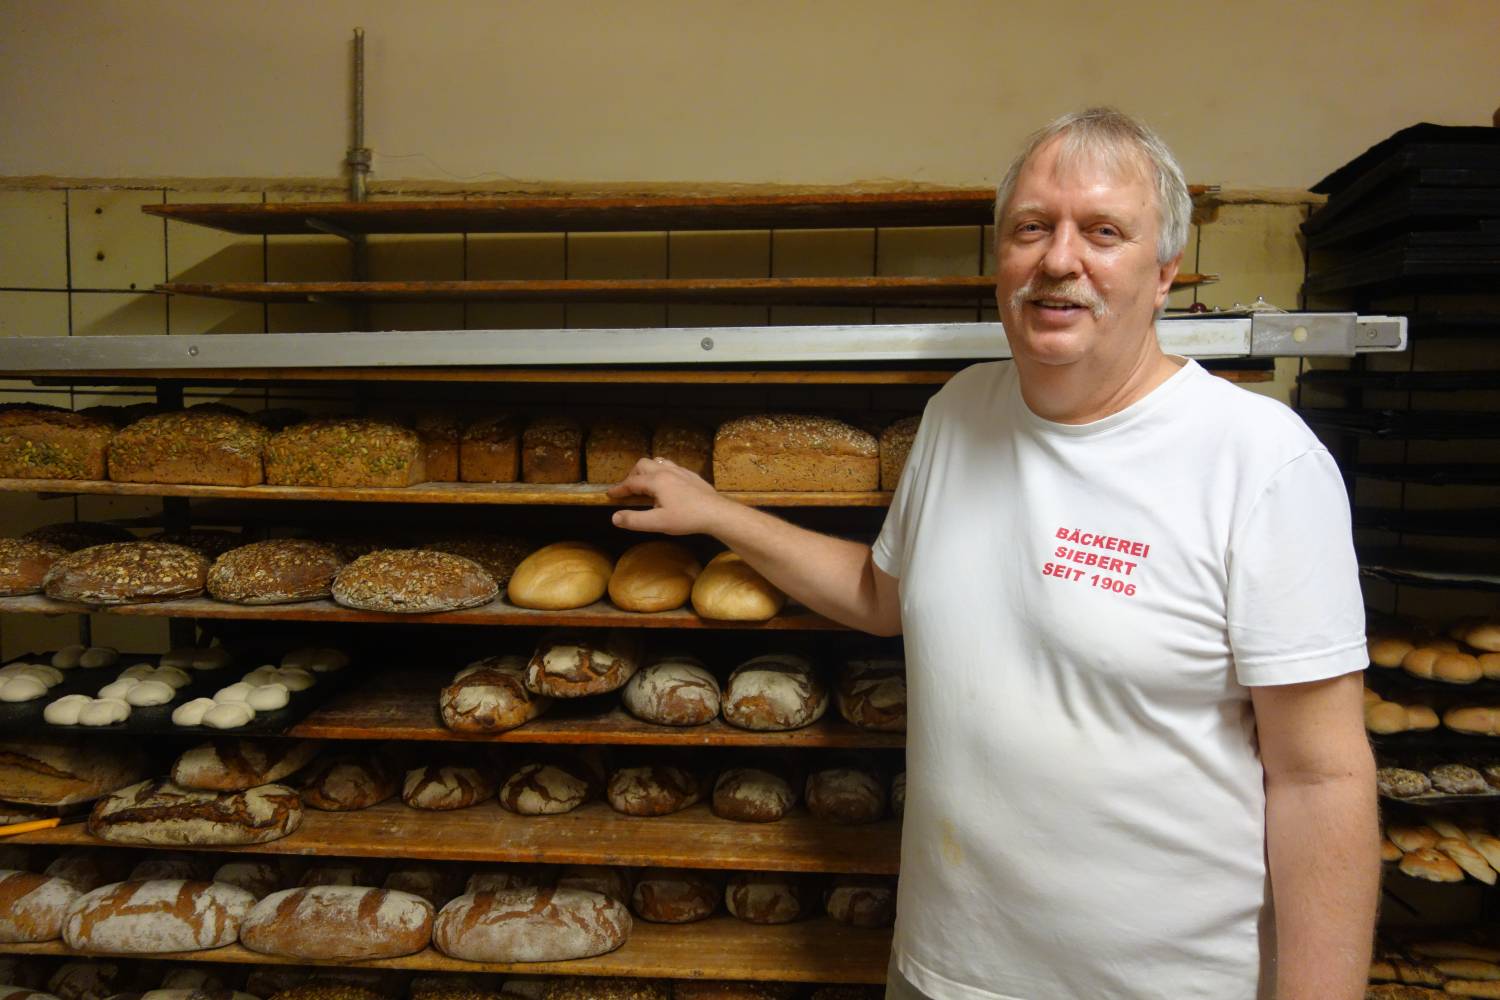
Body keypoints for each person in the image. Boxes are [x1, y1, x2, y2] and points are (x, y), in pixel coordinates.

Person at [609, 108, 1378, 1000]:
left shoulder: (1259, 461)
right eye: (1031, 229)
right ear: (1001, 259)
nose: (1060, 259)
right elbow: (881, 593)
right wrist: (718, 514)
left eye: (1103, 232)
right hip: (945, 972)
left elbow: (1321, 776)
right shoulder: (960, 411)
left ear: (1165, 270)